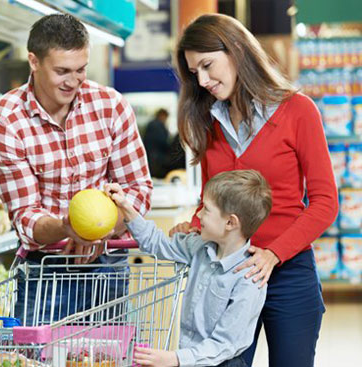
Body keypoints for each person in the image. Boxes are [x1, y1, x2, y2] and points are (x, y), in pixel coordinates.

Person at [170, 14, 339, 366]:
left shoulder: (297, 111)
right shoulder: (209, 122)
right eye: (194, 72)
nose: (202, 80)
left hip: (288, 275)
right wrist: (196, 223)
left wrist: (273, 253)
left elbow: (325, 203)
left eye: (207, 65)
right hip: (225, 276)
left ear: (236, 51)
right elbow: (210, 199)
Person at [0, 14, 152, 325]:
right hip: (47, 271)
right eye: (62, 71)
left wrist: (100, 230)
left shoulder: (110, 105)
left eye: (80, 70)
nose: (73, 81)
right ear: (33, 61)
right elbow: (25, 214)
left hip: (108, 266)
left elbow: (138, 188)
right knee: (41, 359)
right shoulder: (5, 122)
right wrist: (67, 228)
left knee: (106, 357)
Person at [106, 169, 272, 367]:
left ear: (230, 222)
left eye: (207, 209)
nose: (198, 214)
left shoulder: (249, 279)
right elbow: (155, 243)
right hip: (190, 359)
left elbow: (225, 344)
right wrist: (126, 207)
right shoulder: (198, 246)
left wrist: (174, 359)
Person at [143, 108, 171, 178]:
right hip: (157, 158)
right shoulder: (157, 125)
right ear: (162, 115)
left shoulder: (152, 124)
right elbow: (162, 141)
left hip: (152, 156)